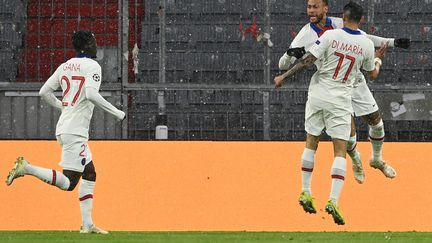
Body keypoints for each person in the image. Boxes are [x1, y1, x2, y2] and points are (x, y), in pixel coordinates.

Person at [274, 1, 387, 225]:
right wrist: (378, 58)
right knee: (339, 151)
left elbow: (307, 62)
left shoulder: (329, 36)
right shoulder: (364, 44)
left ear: (342, 18)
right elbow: (371, 74)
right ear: (361, 20)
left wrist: (283, 77)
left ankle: (305, 190)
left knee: (311, 143)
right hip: (340, 99)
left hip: (317, 94)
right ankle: (333, 200)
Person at [5, 30, 125, 234]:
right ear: (87, 44)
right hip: (75, 131)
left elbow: (44, 92)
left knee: (90, 173)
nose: (96, 45)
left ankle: (87, 224)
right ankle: (27, 168)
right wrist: (116, 112)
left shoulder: (65, 66)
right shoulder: (93, 66)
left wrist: (64, 107)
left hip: (66, 126)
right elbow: (90, 94)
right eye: (94, 42)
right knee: (69, 183)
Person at [279, 0, 411, 184]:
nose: (311, 11)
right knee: (348, 132)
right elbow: (282, 65)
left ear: (325, 8)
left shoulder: (339, 24)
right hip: (332, 85)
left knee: (376, 121)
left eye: (315, 6)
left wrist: (393, 42)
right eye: (309, 7)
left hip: (354, 79)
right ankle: (356, 159)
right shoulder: (304, 34)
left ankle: (376, 159)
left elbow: (366, 38)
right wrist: (289, 55)